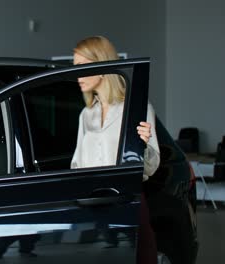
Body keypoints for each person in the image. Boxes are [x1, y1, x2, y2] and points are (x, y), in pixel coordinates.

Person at [70, 36, 160, 264]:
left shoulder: (137, 109)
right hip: (93, 209)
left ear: (101, 66)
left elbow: (151, 166)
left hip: (128, 203)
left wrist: (145, 144)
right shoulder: (86, 115)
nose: (76, 74)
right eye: (74, 67)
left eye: (81, 66)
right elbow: (76, 166)